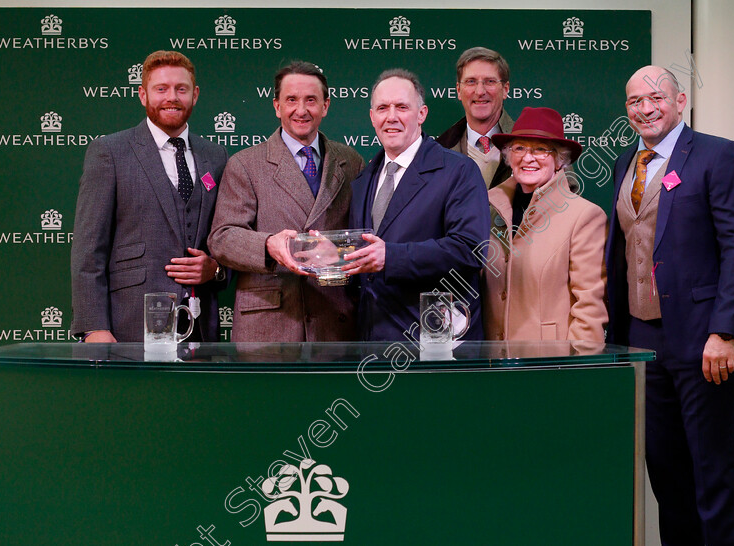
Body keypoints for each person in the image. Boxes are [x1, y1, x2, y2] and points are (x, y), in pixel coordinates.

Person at [605, 65, 734, 546]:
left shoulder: (718, 156)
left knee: (710, 469)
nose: (644, 108)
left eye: (655, 97)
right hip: (644, 339)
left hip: (704, 338)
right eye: (634, 101)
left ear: (679, 102)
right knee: (667, 474)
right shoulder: (625, 162)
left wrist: (725, 330)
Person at [71, 50, 228, 343]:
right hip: (128, 326)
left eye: (181, 89)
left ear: (195, 95)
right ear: (143, 95)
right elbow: (88, 249)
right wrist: (94, 327)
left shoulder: (216, 156)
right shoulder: (110, 152)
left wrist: (216, 270)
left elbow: (227, 237)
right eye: (161, 89)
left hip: (202, 331)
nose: (172, 97)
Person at [208, 61, 364, 342]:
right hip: (270, 324)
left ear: (326, 106)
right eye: (291, 100)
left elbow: (364, 235)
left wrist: (340, 253)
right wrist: (268, 245)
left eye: (311, 100)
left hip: (335, 321)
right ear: (277, 106)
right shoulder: (245, 164)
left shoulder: (351, 162)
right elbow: (222, 238)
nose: (301, 110)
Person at [345, 69, 489, 341]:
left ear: (422, 114)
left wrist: (391, 256)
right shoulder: (363, 181)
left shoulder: (458, 171)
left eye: (402, 107)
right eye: (382, 108)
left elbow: (471, 250)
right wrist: (331, 259)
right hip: (372, 346)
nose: (391, 117)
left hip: (435, 343)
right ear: (372, 117)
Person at [482, 107, 607, 341]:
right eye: (519, 148)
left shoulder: (585, 216)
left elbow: (589, 308)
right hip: (490, 360)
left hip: (550, 364)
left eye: (540, 150)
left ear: (559, 160)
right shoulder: (487, 206)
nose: (528, 158)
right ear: (509, 156)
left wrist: (578, 365)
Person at [436, 47, 515, 189]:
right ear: (459, 91)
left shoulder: (535, 144)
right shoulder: (438, 151)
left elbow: (565, 200)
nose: (480, 91)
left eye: (490, 81)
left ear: (505, 89)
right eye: (471, 82)